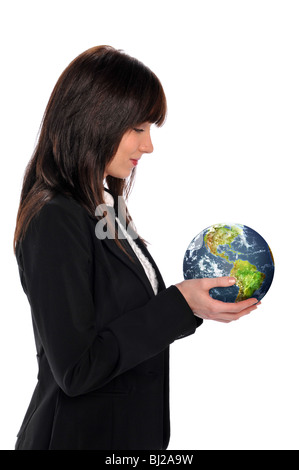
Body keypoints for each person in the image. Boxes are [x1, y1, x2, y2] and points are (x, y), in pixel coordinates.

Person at [13, 45, 260, 450]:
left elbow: (125, 320)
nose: (148, 146)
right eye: (138, 128)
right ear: (96, 121)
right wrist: (179, 303)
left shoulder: (105, 209)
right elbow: (77, 369)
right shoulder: (55, 218)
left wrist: (191, 305)